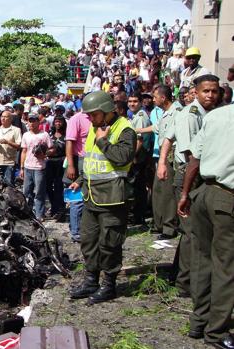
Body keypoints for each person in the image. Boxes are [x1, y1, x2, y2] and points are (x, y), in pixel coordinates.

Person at [68, 91, 136, 304]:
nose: (90, 119)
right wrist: (80, 179)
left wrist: (104, 142)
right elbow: (90, 160)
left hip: (113, 197)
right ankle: (91, 281)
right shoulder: (95, 129)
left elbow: (123, 157)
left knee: (110, 243)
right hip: (92, 195)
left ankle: (109, 285)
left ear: (107, 111)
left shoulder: (125, 129)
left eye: (94, 115)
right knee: (89, 241)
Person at [176, 104, 234, 349]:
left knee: (202, 261)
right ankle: (217, 332)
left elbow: (194, 160)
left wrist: (186, 193)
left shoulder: (216, 115)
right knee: (226, 268)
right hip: (227, 198)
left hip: (205, 193)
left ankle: (198, 322)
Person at [157, 74, 220, 296]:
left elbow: (167, 138)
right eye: (206, 91)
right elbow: (192, 154)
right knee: (193, 232)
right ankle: (186, 283)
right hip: (190, 176)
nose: (211, 95)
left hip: (195, 175)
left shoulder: (207, 114)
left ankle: (180, 275)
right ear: (196, 91)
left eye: (214, 91)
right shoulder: (191, 116)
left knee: (190, 232)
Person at [136, 85, 181, 239]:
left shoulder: (177, 112)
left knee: (167, 193)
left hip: (170, 155)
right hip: (163, 154)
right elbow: (156, 128)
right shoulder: (165, 113)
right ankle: (159, 223)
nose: (153, 100)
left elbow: (171, 137)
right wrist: (137, 130)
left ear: (163, 98)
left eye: (155, 97)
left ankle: (168, 228)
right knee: (158, 191)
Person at [19, 114, 53, 221]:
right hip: (28, 167)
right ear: (27, 123)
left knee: (39, 192)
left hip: (39, 167)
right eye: (30, 121)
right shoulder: (25, 135)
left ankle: (39, 214)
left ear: (39, 123)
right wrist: (21, 168)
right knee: (27, 192)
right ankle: (28, 212)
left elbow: (51, 149)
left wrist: (45, 155)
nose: (32, 123)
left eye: (34, 121)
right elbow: (23, 151)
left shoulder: (45, 135)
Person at [65, 109, 92, 243]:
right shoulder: (76, 119)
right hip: (79, 160)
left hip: (92, 160)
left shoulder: (96, 116)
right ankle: (75, 232)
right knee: (77, 199)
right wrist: (71, 165)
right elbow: (69, 142)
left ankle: (79, 228)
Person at [128, 91, 152, 225]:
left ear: (140, 102)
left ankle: (138, 217)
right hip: (137, 157)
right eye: (130, 101)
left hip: (138, 158)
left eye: (135, 101)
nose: (132, 104)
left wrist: (131, 157)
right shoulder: (135, 116)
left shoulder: (141, 117)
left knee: (137, 188)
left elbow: (140, 140)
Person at [46, 116, 67, 220]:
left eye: (60, 122)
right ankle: (53, 206)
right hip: (49, 162)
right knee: (48, 186)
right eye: (56, 122)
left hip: (61, 162)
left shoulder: (66, 135)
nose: (58, 124)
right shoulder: (49, 134)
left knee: (59, 186)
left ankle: (60, 208)